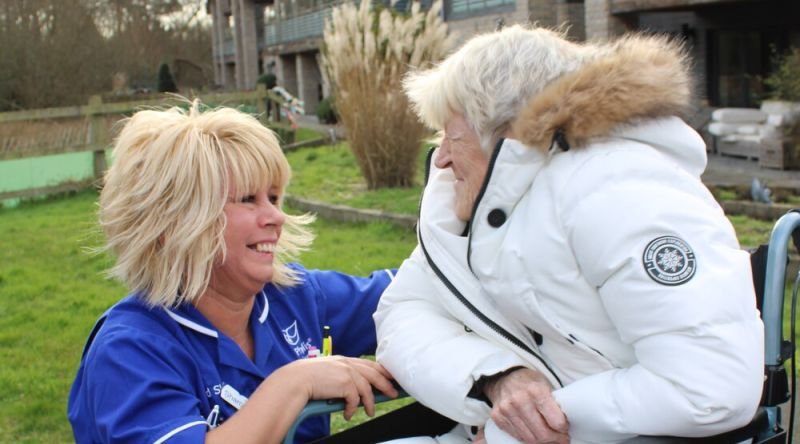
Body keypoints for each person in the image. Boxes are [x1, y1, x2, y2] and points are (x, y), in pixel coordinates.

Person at [373, 25, 764, 443]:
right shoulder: (469, 205)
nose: (443, 158)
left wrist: (516, 429)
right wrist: (494, 375)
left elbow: (708, 386)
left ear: (504, 132)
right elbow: (403, 311)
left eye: (453, 136)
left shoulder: (621, 191)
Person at [67, 102, 400, 443]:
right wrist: (295, 384)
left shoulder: (292, 296)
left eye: (273, 197)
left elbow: (407, 293)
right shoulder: (129, 350)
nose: (277, 217)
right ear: (175, 223)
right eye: (248, 199)